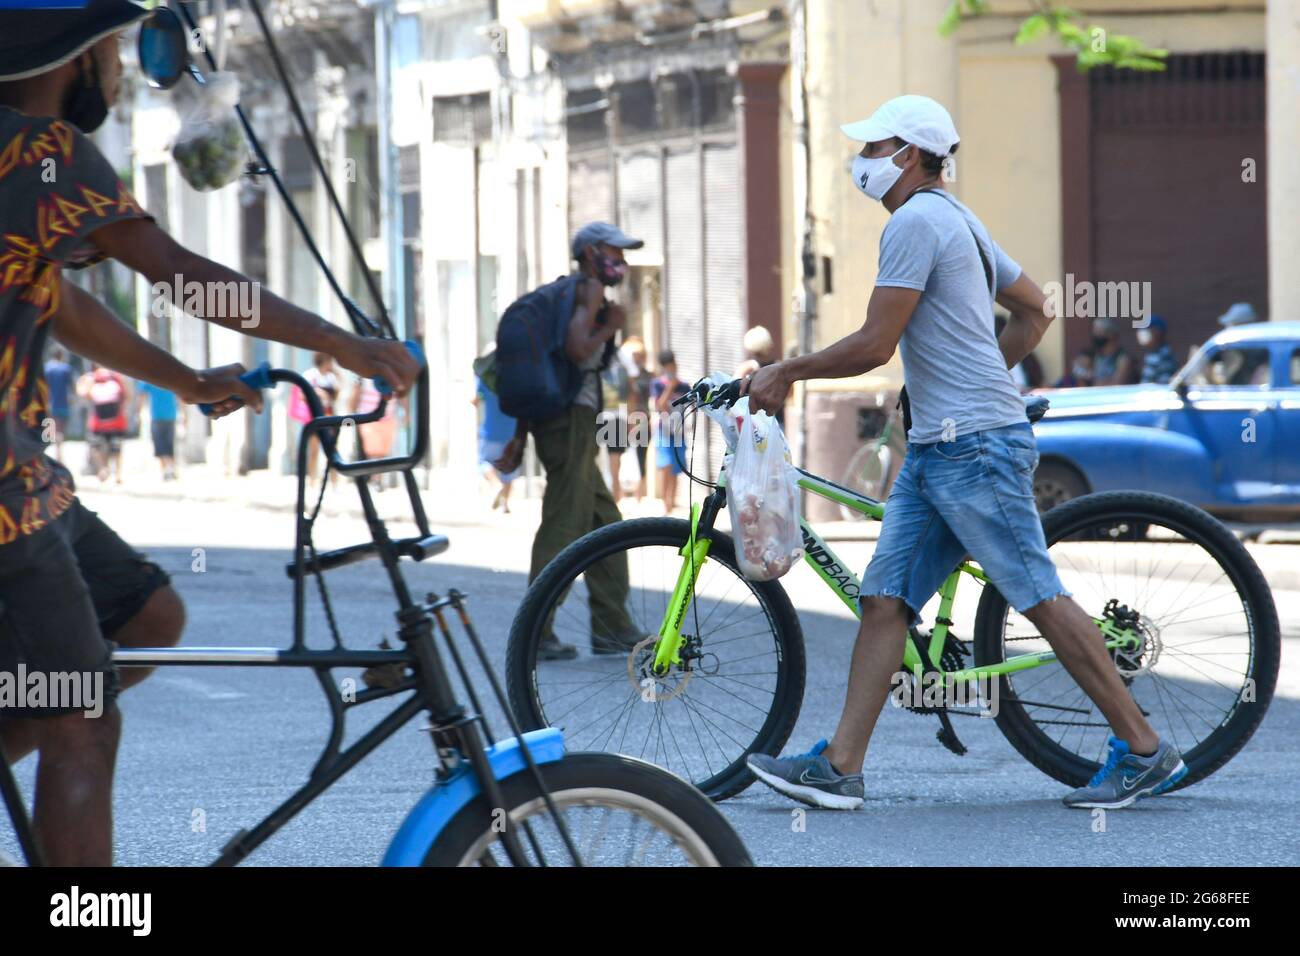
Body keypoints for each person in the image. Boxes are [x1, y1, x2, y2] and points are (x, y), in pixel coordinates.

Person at [0, 0, 418, 866]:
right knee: (82, 713)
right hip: (6, 495)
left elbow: (63, 302)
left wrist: (189, 382)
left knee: (149, 610)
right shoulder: (44, 153)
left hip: (29, 474)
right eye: (114, 45)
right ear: (74, 55)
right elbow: (185, 277)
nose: (121, 66)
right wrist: (338, 342)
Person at [742, 94, 1183, 812]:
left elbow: (876, 343)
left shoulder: (916, 222)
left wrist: (786, 371)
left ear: (909, 155)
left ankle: (1142, 750)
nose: (863, 161)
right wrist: (970, 374)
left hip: (973, 448)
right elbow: (1037, 309)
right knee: (885, 601)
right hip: (940, 448)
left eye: (874, 147)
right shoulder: (962, 220)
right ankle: (840, 768)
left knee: (1036, 595)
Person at [494, 222, 646, 661]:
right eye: (616, 251)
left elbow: (550, 363)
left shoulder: (567, 292)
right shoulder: (589, 289)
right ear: (592, 251)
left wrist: (521, 436)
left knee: (605, 523)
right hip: (573, 420)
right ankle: (536, 630)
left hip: (566, 420)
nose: (623, 261)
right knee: (565, 521)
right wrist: (610, 325)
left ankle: (613, 627)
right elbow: (578, 350)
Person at [473, 365, 518, 513]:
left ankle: (495, 485)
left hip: (490, 430)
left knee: (484, 462)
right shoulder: (515, 379)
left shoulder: (485, 379)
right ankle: (506, 504)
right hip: (512, 429)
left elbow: (475, 399)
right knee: (509, 468)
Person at [651, 350, 689, 516]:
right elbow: (659, 405)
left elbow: (689, 407)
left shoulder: (684, 386)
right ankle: (665, 503)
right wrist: (670, 387)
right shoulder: (658, 384)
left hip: (679, 430)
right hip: (664, 430)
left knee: (676, 467)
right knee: (665, 464)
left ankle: (671, 502)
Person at [77, 364, 130, 484]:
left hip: (98, 421)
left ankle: (103, 468)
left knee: (97, 447)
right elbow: (127, 395)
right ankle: (118, 474)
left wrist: (85, 380)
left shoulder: (92, 378)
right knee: (117, 448)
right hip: (117, 420)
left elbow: (83, 393)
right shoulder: (116, 377)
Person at [620, 336, 652, 505]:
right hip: (623, 417)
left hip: (642, 417)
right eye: (634, 355)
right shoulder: (621, 374)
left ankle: (639, 496)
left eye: (639, 355)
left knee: (641, 456)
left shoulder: (646, 375)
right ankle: (622, 495)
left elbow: (642, 391)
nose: (636, 358)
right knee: (620, 456)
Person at [597, 351, 631, 504]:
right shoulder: (621, 367)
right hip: (616, 416)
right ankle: (615, 493)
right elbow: (628, 395)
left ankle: (613, 493)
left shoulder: (595, 365)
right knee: (615, 457)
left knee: (607, 457)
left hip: (602, 415)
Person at [736, 326, 785, 427]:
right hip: (776, 420)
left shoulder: (747, 368)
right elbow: (789, 395)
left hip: (754, 423)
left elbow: (734, 391)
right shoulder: (779, 367)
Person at [136, 380, 178, 480]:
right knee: (166, 444)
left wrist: (138, 413)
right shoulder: (171, 377)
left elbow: (142, 395)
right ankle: (169, 469)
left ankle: (167, 469)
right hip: (167, 415)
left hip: (160, 416)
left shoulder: (151, 378)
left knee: (162, 444)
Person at [43, 346, 75, 461]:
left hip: (49, 403)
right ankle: (59, 454)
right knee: (61, 430)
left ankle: (48, 454)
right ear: (61, 355)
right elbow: (72, 386)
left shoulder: (46, 368)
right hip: (63, 403)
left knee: (50, 429)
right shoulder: (66, 368)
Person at [1088, 317, 1133, 386]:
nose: (1095, 335)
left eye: (1098, 331)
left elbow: (1116, 384)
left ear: (1110, 334)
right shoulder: (1098, 356)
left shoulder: (1123, 358)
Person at [1138, 316, 1179, 385]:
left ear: (1158, 332)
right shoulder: (1152, 354)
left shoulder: (1165, 356)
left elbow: (1163, 385)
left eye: (1147, 329)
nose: (1142, 333)